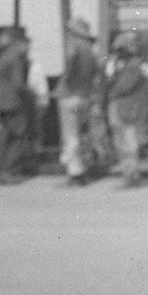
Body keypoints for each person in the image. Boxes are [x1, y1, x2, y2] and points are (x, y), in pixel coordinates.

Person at [56, 18, 101, 186]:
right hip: (85, 95)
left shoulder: (74, 46)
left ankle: (75, 172)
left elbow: (70, 67)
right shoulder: (91, 50)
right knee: (82, 134)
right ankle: (83, 168)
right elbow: (97, 71)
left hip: (70, 95)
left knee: (70, 135)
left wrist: (63, 85)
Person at [0, 26, 36, 184]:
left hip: (2, 102)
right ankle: (10, 170)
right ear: (17, 41)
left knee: (4, 136)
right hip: (15, 102)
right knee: (18, 137)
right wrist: (31, 94)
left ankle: (0, 169)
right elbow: (18, 84)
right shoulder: (15, 57)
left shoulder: (0, 57)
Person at [106, 35, 148, 187]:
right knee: (121, 142)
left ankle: (131, 175)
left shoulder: (133, 66)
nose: (117, 54)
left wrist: (111, 82)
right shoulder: (122, 65)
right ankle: (129, 173)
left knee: (128, 143)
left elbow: (123, 87)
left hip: (128, 109)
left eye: (120, 50)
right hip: (120, 108)